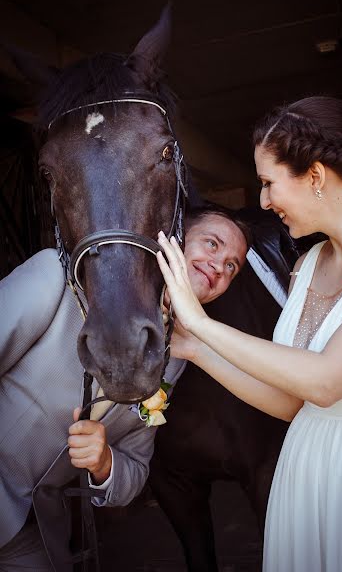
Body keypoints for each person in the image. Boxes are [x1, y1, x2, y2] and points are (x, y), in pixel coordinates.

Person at [156, 95, 342, 572]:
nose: (263, 202)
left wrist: (203, 323)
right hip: (304, 476)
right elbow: (291, 401)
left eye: (268, 183)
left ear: (314, 175)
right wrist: (194, 348)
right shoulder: (307, 266)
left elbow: (326, 382)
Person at [0, 206, 249, 571]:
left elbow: (135, 468)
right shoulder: (57, 275)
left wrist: (105, 463)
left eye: (232, 266)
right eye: (212, 244)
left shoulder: (174, 356)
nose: (219, 266)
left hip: (34, 529)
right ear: (173, 238)